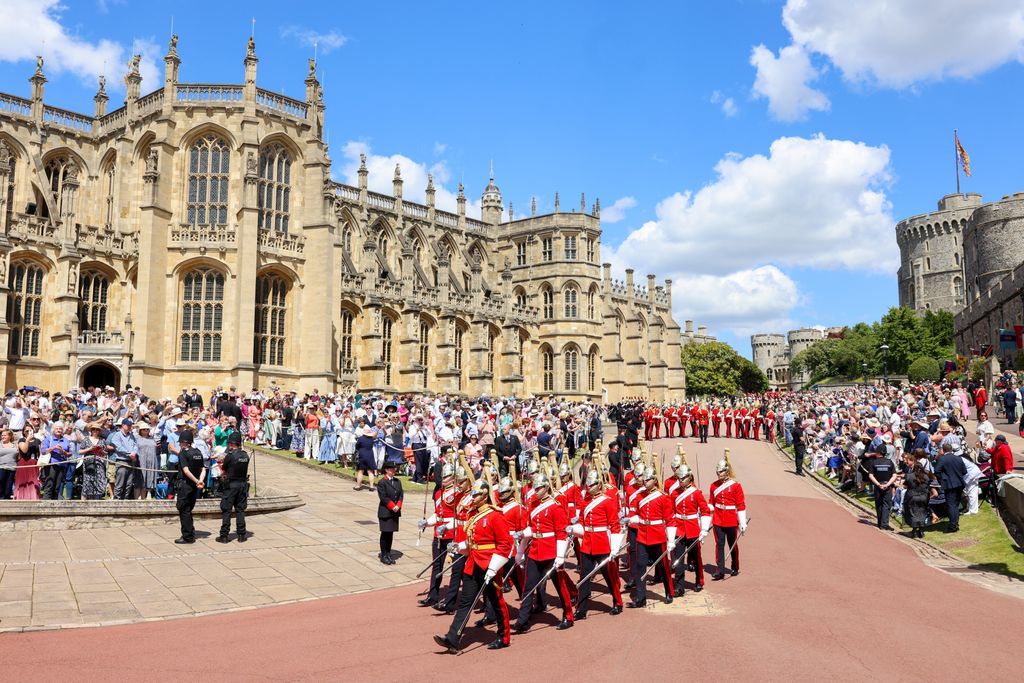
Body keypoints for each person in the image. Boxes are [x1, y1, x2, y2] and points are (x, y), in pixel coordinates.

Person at [434, 478, 512, 653]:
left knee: (496, 601)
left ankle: (504, 636)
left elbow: (505, 545)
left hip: (490, 565)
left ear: (484, 497)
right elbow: (472, 543)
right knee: (466, 603)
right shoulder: (472, 515)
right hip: (473, 562)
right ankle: (453, 638)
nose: (473, 497)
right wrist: (458, 546)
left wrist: (493, 567)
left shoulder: (495, 515)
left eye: (476, 494)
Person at [512, 473, 575, 633]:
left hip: (551, 552)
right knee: (528, 586)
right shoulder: (533, 505)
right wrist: (522, 535)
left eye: (539, 488)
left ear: (547, 487)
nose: (536, 490)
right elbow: (533, 528)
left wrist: (560, 556)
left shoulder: (555, 506)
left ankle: (568, 615)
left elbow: (561, 533)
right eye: (535, 487)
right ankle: (523, 620)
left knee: (560, 586)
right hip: (535, 551)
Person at [573, 469, 624, 618]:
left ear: (599, 484)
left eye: (592, 484)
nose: (589, 486)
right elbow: (582, 524)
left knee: (609, 576)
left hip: (602, 543)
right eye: (588, 484)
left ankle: (617, 602)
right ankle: (581, 609)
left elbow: (615, 526)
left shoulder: (607, 501)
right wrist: (572, 529)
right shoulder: (585, 501)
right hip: (588, 543)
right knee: (584, 578)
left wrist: (614, 548)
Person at [626, 465, 675, 607]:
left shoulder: (663, 497)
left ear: (654, 480)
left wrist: (670, 540)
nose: (645, 482)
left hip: (658, 535)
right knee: (640, 566)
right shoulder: (640, 495)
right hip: (642, 535)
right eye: (644, 479)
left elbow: (670, 520)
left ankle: (669, 591)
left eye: (648, 480)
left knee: (664, 566)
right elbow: (636, 514)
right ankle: (641, 598)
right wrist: (629, 519)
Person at [671, 465, 711, 595]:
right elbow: (670, 512)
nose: (681, 480)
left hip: (693, 528)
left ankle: (699, 580)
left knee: (695, 557)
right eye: (679, 478)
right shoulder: (674, 493)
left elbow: (705, 511)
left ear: (689, 477)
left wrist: (704, 529)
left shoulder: (696, 493)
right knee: (678, 558)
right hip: (679, 528)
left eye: (683, 478)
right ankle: (679, 586)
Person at [709, 456, 747, 580]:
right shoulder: (713, 486)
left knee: (732, 544)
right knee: (719, 544)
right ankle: (720, 570)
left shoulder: (736, 486)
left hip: (731, 519)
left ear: (727, 471)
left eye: (721, 472)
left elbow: (740, 505)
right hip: (718, 518)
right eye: (717, 472)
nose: (719, 474)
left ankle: (735, 565)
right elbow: (711, 503)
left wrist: (742, 522)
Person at [217, 432, 250, 543]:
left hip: (231, 485)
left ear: (231, 444)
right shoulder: (245, 455)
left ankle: (224, 535)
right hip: (242, 485)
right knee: (240, 510)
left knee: (227, 510)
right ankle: (241, 535)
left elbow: (224, 468)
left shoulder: (230, 456)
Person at [175, 429, 206, 544]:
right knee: (189, 509)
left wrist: (197, 481)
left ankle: (187, 536)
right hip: (194, 486)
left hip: (185, 485)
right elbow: (203, 469)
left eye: (180, 442)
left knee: (184, 510)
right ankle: (190, 532)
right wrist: (200, 481)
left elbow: (186, 471)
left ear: (184, 442)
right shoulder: (198, 452)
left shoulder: (183, 453)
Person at [934, 442, 967, 533]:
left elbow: (937, 471)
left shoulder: (943, 459)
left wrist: (942, 479)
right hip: (959, 484)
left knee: (951, 505)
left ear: (943, 450)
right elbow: (964, 471)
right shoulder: (958, 458)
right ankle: (955, 523)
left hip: (950, 485)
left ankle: (953, 526)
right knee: (955, 505)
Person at [377, 460, 404, 564]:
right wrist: (393, 506)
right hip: (386, 511)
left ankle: (388, 553)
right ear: (387, 470)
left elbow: (401, 494)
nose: (394, 471)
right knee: (385, 533)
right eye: (392, 469)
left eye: (394, 469)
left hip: (395, 511)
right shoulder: (382, 482)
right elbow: (383, 497)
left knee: (391, 533)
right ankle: (383, 555)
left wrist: (399, 505)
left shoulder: (397, 481)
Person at [865, 445, 897, 530]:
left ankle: (880, 523)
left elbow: (870, 475)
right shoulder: (889, 462)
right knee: (886, 505)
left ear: (878, 452)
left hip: (878, 486)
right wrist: (888, 484)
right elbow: (894, 475)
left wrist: (878, 484)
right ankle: (884, 524)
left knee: (879, 504)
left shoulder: (874, 462)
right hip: (887, 486)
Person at [107, 418, 139, 500]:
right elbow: (119, 447)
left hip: (131, 462)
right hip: (122, 461)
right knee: (120, 483)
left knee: (129, 483)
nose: (130, 427)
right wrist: (129, 453)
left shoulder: (131, 435)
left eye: (130, 425)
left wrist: (134, 453)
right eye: (128, 425)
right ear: (123, 425)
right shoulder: (117, 435)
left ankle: (125, 500)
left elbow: (135, 445)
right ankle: (117, 500)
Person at [902, 457, 932, 538]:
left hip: (912, 496)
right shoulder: (926, 476)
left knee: (912, 513)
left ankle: (914, 531)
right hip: (924, 496)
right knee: (922, 512)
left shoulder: (909, 476)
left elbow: (905, 485)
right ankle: (921, 530)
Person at [0, 428, 17, 499]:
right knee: (0, 484)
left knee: (8, 486)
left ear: (10, 436)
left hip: (12, 468)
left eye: (5, 435)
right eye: (2, 435)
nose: (2, 436)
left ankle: (6, 499)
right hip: (1, 467)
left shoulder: (15, 445)